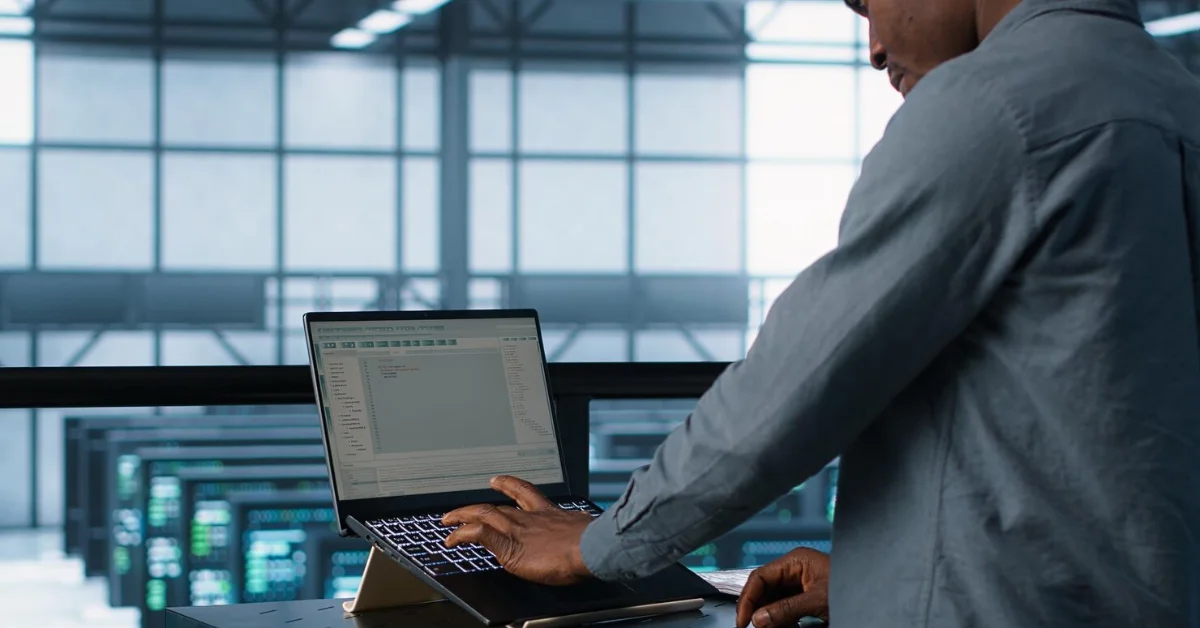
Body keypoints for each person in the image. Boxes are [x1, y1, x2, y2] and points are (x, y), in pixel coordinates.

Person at [444, 0, 1200, 625]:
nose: (874, 47)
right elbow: (1099, 434)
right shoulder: (1177, 98)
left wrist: (599, 544)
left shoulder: (990, 105)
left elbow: (796, 385)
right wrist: (883, 573)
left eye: (869, 3)